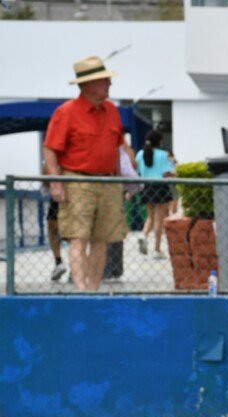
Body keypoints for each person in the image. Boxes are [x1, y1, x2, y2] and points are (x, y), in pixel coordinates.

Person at [43, 55, 128, 291]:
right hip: (77, 180)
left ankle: (92, 290)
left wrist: (120, 181)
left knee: (102, 241)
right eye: (104, 80)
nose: (109, 84)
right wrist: (56, 183)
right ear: (88, 85)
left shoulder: (112, 111)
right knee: (77, 238)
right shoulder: (67, 112)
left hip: (108, 181)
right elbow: (50, 148)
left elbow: (117, 146)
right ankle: (81, 289)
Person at [135, 130, 176, 259]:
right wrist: (175, 174)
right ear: (158, 141)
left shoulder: (140, 154)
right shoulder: (163, 155)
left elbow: (138, 171)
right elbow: (166, 173)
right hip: (160, 187)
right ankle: (157, 250)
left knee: (150, 217)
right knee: (159, 219)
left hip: (146, 186)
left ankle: (144, 235)